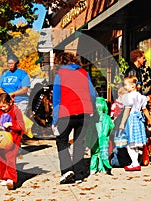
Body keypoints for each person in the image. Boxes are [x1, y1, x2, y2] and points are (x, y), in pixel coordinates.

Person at [52, 52, 96, 184]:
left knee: (62, 140)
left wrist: (54, 120)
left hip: (66, 113)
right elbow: (92, 93)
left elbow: (57, 99)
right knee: (78, 142)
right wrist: (91, 108)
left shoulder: (60, 74)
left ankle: (67, 171)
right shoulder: (83, 72)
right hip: (84, 112)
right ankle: (79, 174)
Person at [119, 75, 151, 171]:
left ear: (133, 85)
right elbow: (144, 109)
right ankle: (135, 161)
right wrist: (149, 119)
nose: (125, 87)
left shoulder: (128, 97)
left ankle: (135, 163)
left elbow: (127, 110)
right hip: (139, 120)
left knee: (130, 143)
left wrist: (122, 123)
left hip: (131, 120)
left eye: (126, 85)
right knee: (135, 143)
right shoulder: (141, 97)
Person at [0, 93, 25, 190]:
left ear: (10, 102)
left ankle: (11, 178)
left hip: (13, 139)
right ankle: (4, 176)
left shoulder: (16, 110)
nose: (3, 108)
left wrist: (11, 124)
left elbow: (21, 125)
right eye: (1, 106)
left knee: (10, 158)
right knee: (2, 158)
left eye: (5, 106)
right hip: (2, 140)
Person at [89, 97, 114, 175]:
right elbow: (112, 126)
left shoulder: (92, 118)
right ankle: (102, 168)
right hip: (104, 138)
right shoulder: (107, 118)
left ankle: (93, 168)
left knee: (94, 153)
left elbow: (89, 129)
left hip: (94, 137)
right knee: (103, 152)